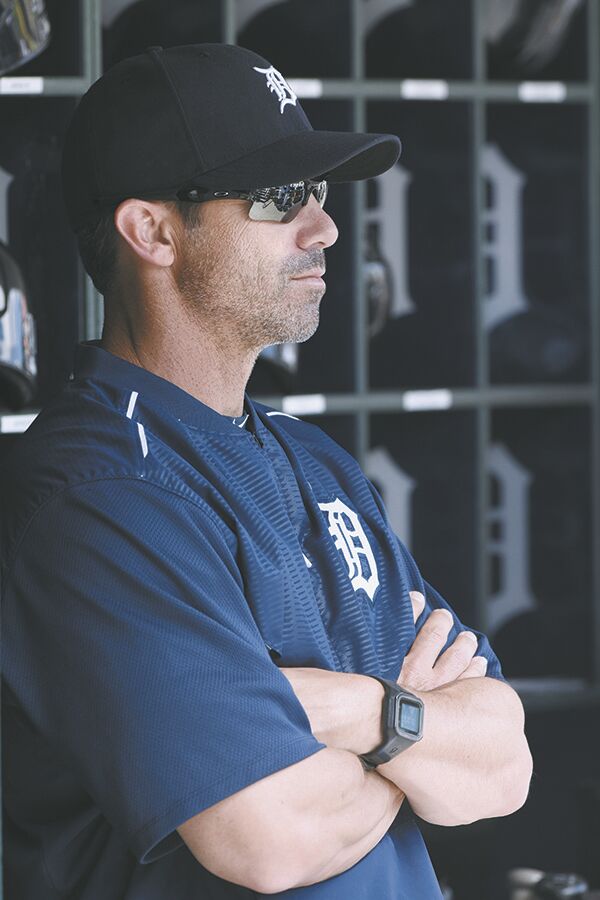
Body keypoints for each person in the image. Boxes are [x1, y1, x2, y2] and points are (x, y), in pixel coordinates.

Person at [1, 42, 533, 900]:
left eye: (317, 193)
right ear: (154, 232)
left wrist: (363, 714)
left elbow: (504, 763)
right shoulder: (97, 497)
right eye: (279, 197)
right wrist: (418, 736)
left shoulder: (312, 458)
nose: (323, 227)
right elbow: (271, 836)